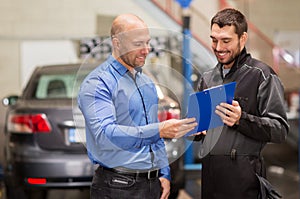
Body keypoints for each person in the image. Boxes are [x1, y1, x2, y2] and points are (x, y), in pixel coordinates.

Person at [77, 14, 197, 199]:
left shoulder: (147, 83)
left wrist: (164, 172)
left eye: (147, 43)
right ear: (117, 43)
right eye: (138, 44)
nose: (146, 50)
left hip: (152, 184)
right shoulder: (99, 83)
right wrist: (159, 130)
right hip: (117, 186)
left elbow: (154, 136)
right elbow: (104, 135)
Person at [192, 8, 289, 199]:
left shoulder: (262, 75)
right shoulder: (207, 78)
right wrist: (193, 129)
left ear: (242, 39)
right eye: (214, 39)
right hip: (210, 179)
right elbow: (198, 127)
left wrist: (241, 119)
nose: (218, 47)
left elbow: (280, 130)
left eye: (226, 41)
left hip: (244, 181)